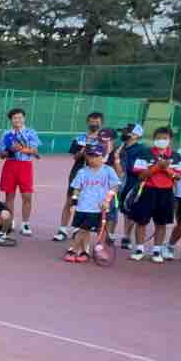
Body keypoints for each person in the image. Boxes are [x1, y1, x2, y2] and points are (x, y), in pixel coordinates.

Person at [126, 126, 181, 263]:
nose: (161, 140)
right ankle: (139, 249)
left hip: (166, 193)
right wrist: (157, 167)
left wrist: (166, 168)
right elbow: (140, 175)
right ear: (154, 139)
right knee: (141, 221)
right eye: (158, 138)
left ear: (170, 139)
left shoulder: (176, 156)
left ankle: (157, 250)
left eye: (165, 138)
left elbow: (177, 177)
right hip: (147, 190)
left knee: (161, 223)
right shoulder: (145, 153)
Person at [62, 143, 119, 263]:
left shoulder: (108, 171)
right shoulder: (82, 172)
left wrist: (107, 200)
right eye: (90, 156)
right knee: (84, 230)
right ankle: (84, 252)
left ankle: (72, 249)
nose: (92, 159)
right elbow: (77, 188)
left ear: (102, 157)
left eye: (96, 156)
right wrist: (74, 203)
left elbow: (114, 186)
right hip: (82, 207)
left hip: (97, 208)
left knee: (84, 229)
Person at [53, 111, 104, 242]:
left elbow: (105, 157)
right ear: (87, 122)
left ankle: (79, 229)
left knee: (87, 202)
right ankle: (62, 229)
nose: (94, 123)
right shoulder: (79, 138)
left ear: (101, 123)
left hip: (95, 175)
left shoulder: (104, 139)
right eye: (92, 121)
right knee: (70, 200)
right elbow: (75, 157)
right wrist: (83, 150)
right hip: (78, 172)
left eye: (97, 121)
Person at [0, 108, 41, 236]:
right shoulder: (6, 134)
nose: (18, 120)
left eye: (20, 117)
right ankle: (10, 221)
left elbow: (35, 151)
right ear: (11, 120)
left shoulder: (31, 132)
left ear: (24, 118)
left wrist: (21, 149)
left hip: (25, 166)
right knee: (9, 196)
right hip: (10, 165)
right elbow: (1, 154)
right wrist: (10, 150)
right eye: (15, 118)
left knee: (27, 196)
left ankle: (25, 223)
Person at [114, 124, 148, 248]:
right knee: (123, 210)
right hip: (120, 182)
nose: (124, 134)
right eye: (124, 131)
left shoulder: (141, 149)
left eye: (127, 132)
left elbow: (138, 169)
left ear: (136, 135)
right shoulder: (120, 147)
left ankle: (127, 237)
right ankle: (123, 235)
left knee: (131, 210)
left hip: (133, 183)